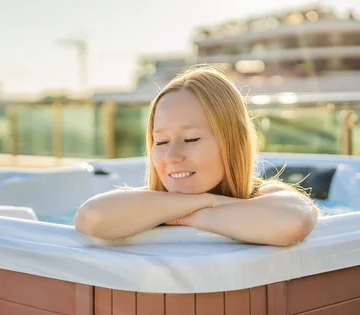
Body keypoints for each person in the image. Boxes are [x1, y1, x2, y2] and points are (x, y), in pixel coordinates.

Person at [74, 65, 318, 246]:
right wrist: (207, 202)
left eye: (191, 139)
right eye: (160, 141)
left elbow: (293, 221)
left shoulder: (260, 197)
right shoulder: (144, 203)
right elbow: (90, 218)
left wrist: (186, 216)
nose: (172, 156)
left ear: (232, 142)